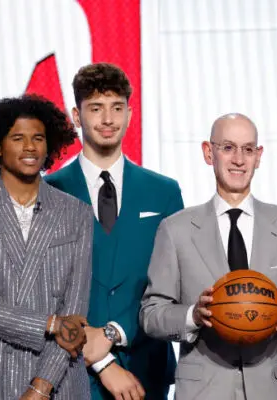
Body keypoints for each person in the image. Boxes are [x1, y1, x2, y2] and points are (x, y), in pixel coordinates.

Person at [140, 113, 277, 400]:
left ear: (258, 156)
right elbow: (151, 314)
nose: (239, 159)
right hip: (202, 390)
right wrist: (193, 315)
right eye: (228, 148)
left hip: (270, 389)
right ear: (208, 152)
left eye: (248, 149)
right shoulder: (175, 229)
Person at [0, 95, 94, 399]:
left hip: (57, 379)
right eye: (18, 138)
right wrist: (49, 323)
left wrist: (41, 386)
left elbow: (74, 316)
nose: (30, 147)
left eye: (38, 138)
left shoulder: (76, 213)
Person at [45, 63, 183, 400]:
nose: (108, 119)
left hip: (145, 367)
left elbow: (174, 279)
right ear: (76, 116)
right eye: (96, 108)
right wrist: (100, 357)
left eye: (116, 108)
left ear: (130, 114)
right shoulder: (50, 192)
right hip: (69, 367)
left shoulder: (163, 191)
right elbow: (45, 286)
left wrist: (115, 331)